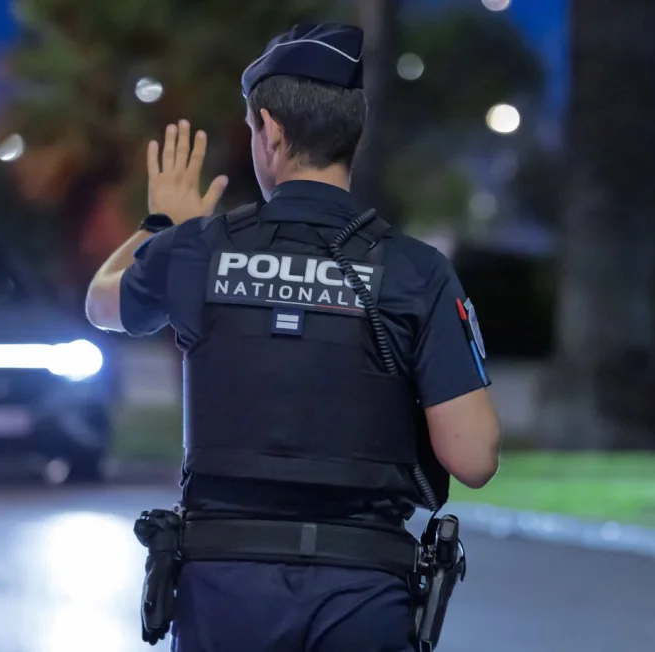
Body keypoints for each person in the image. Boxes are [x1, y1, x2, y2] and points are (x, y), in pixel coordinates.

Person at [85, 22, 502, 652]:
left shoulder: (198, 250)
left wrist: (163, 223)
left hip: (223, 594)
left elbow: (101, 303)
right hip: (363, 596)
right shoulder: (418, 272)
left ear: (271, 131)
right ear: (351, 134)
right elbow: (473, 458)